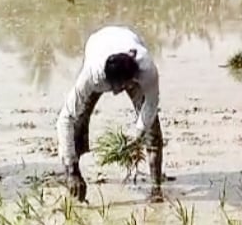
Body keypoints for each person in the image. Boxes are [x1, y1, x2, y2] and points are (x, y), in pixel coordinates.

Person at [56, 25, 163, 202]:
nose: (119, 92)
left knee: (152, 129)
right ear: (108, 82)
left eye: (126, 86)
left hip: (126, 39)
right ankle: (73, 174)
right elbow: (65, 119)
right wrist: (71, 169)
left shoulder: (147, 69)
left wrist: (138, 136)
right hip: (98, 43)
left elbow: (151, 104)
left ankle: (156, 189)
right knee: (79, 121)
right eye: (118, 88)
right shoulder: (92, 75)